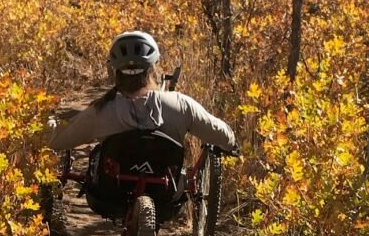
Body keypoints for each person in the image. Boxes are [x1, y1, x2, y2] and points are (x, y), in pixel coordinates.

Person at [48, 31, 236, 153]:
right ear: (153, 68)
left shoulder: (101, 111)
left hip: (113, 194)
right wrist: (231, 143)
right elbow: (221, 134)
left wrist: (47, 121)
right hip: (165, 198)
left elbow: (57, 141)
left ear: (115, 71)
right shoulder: (180, 104)